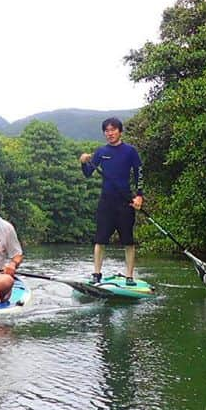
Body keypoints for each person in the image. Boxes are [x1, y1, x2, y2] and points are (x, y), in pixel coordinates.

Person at [79, 117, 144, 286]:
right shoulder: (101, 152)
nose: (110, 133)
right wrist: (83, 162)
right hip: (106, 201)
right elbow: (87, 173)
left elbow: (139, 173)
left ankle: (129, 276)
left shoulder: (130, 151)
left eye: (113, 130)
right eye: (107, 131)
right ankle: (96, 274)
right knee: (100, 240)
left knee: (128, 241)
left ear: (120, 131)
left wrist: (139, 195)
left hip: (125, 201)